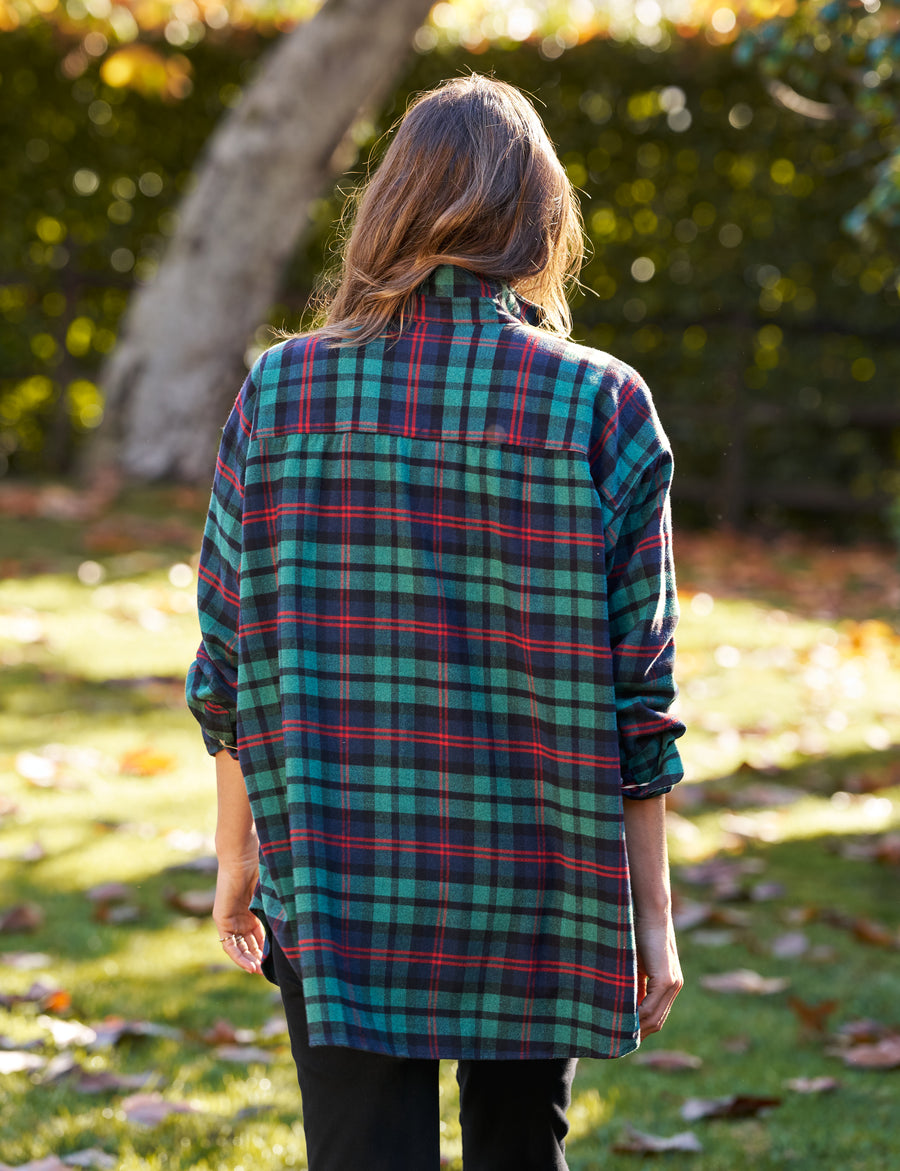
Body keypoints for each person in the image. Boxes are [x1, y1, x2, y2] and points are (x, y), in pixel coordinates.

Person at [187, 74, 685, 1171]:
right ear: (541, 219)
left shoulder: (280, 393)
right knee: (520, 1151)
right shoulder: (601, 403)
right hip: (537, 875)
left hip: (338, 868)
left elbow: (227, 657)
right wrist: (651, 918)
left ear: (390, 206)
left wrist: (239, 855)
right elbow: (639, 696)